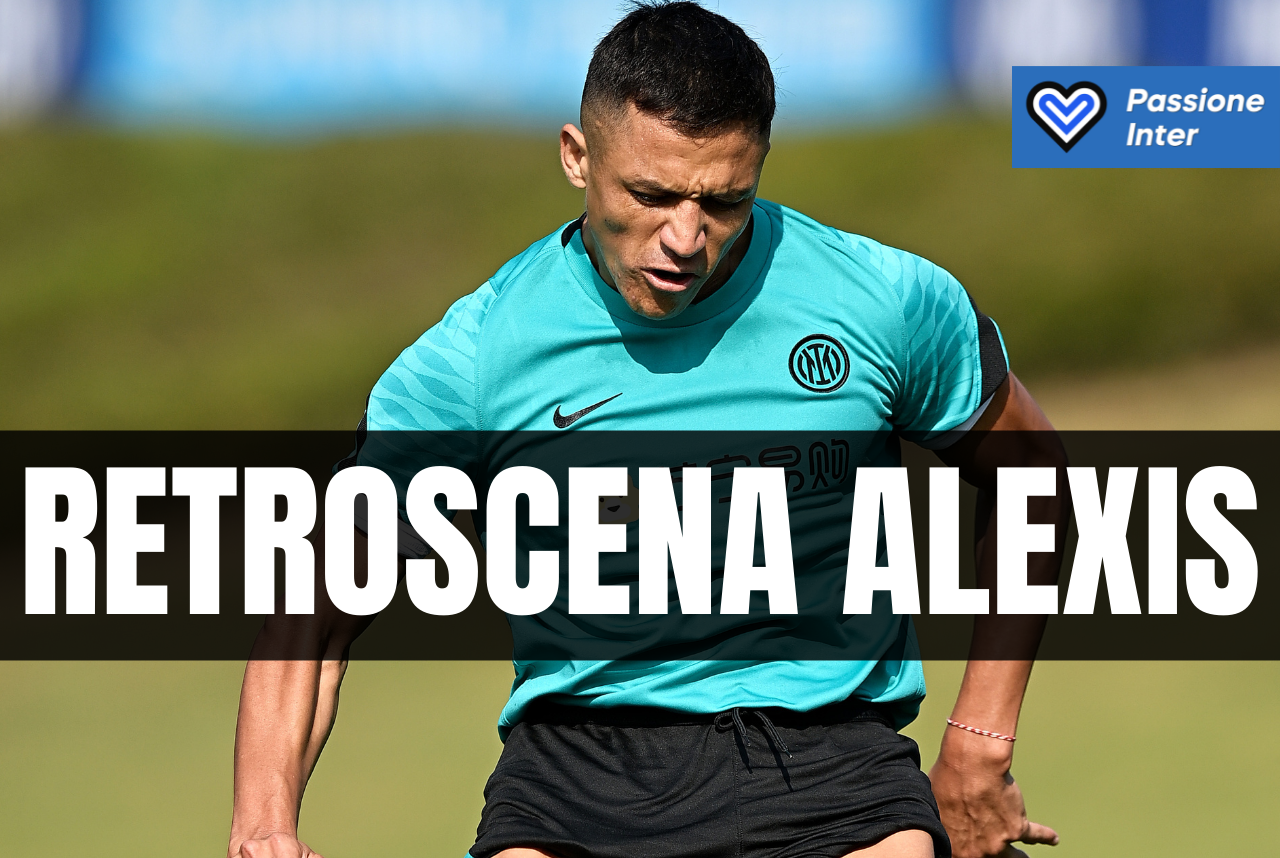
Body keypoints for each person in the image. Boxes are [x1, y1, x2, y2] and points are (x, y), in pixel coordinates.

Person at [228, 3, 1068, 857]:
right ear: (577, 156)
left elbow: (1031, 468)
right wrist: (264, 827)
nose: (685, 238)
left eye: (725, 201)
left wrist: (979, 741)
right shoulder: (478, 355)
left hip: (833, 762)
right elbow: (314, 609)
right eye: (651, 195)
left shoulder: (882, 300)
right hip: (578, 773)